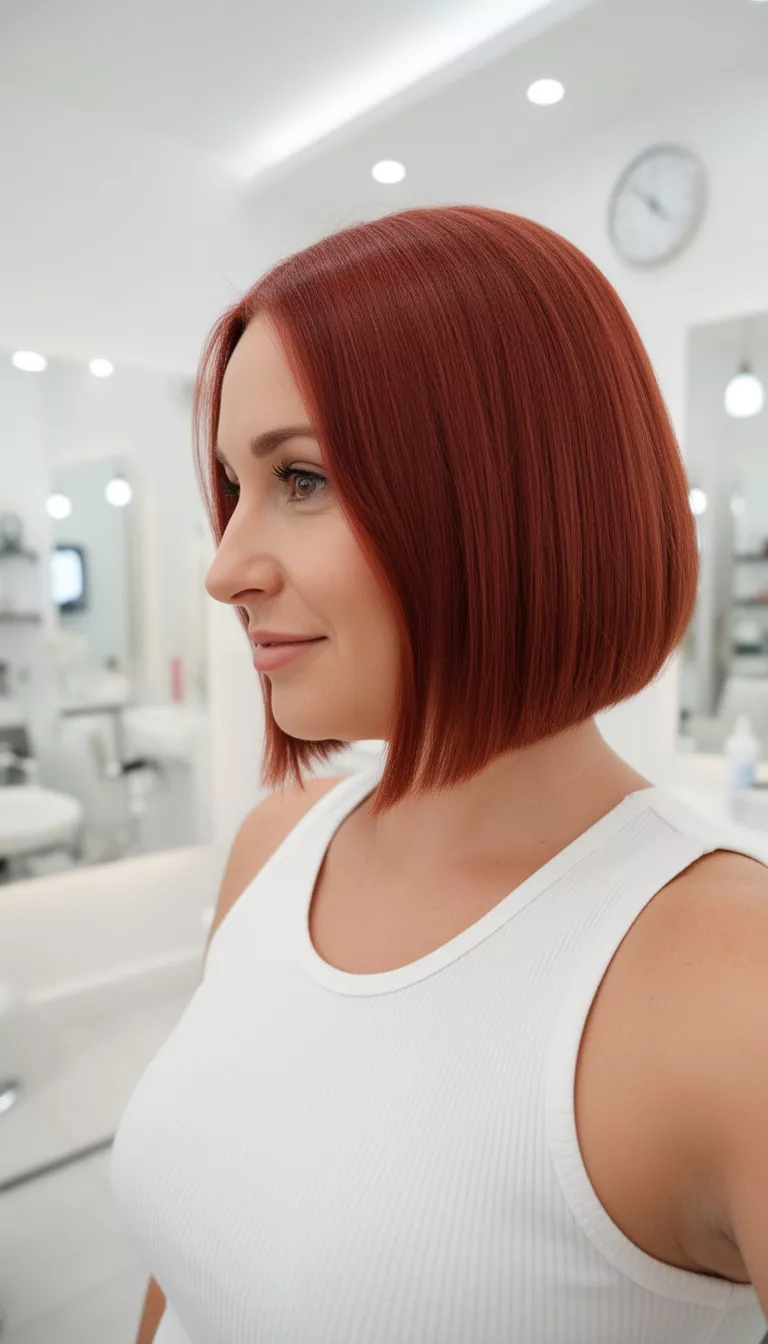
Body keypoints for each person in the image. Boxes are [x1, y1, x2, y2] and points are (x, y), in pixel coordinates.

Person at [113, 206, 768, 1344]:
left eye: (301, 478)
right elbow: (184, 1272)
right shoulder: (278, 843)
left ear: (510, 494)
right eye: (232, 485)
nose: (224, 568)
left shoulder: (727, 984)